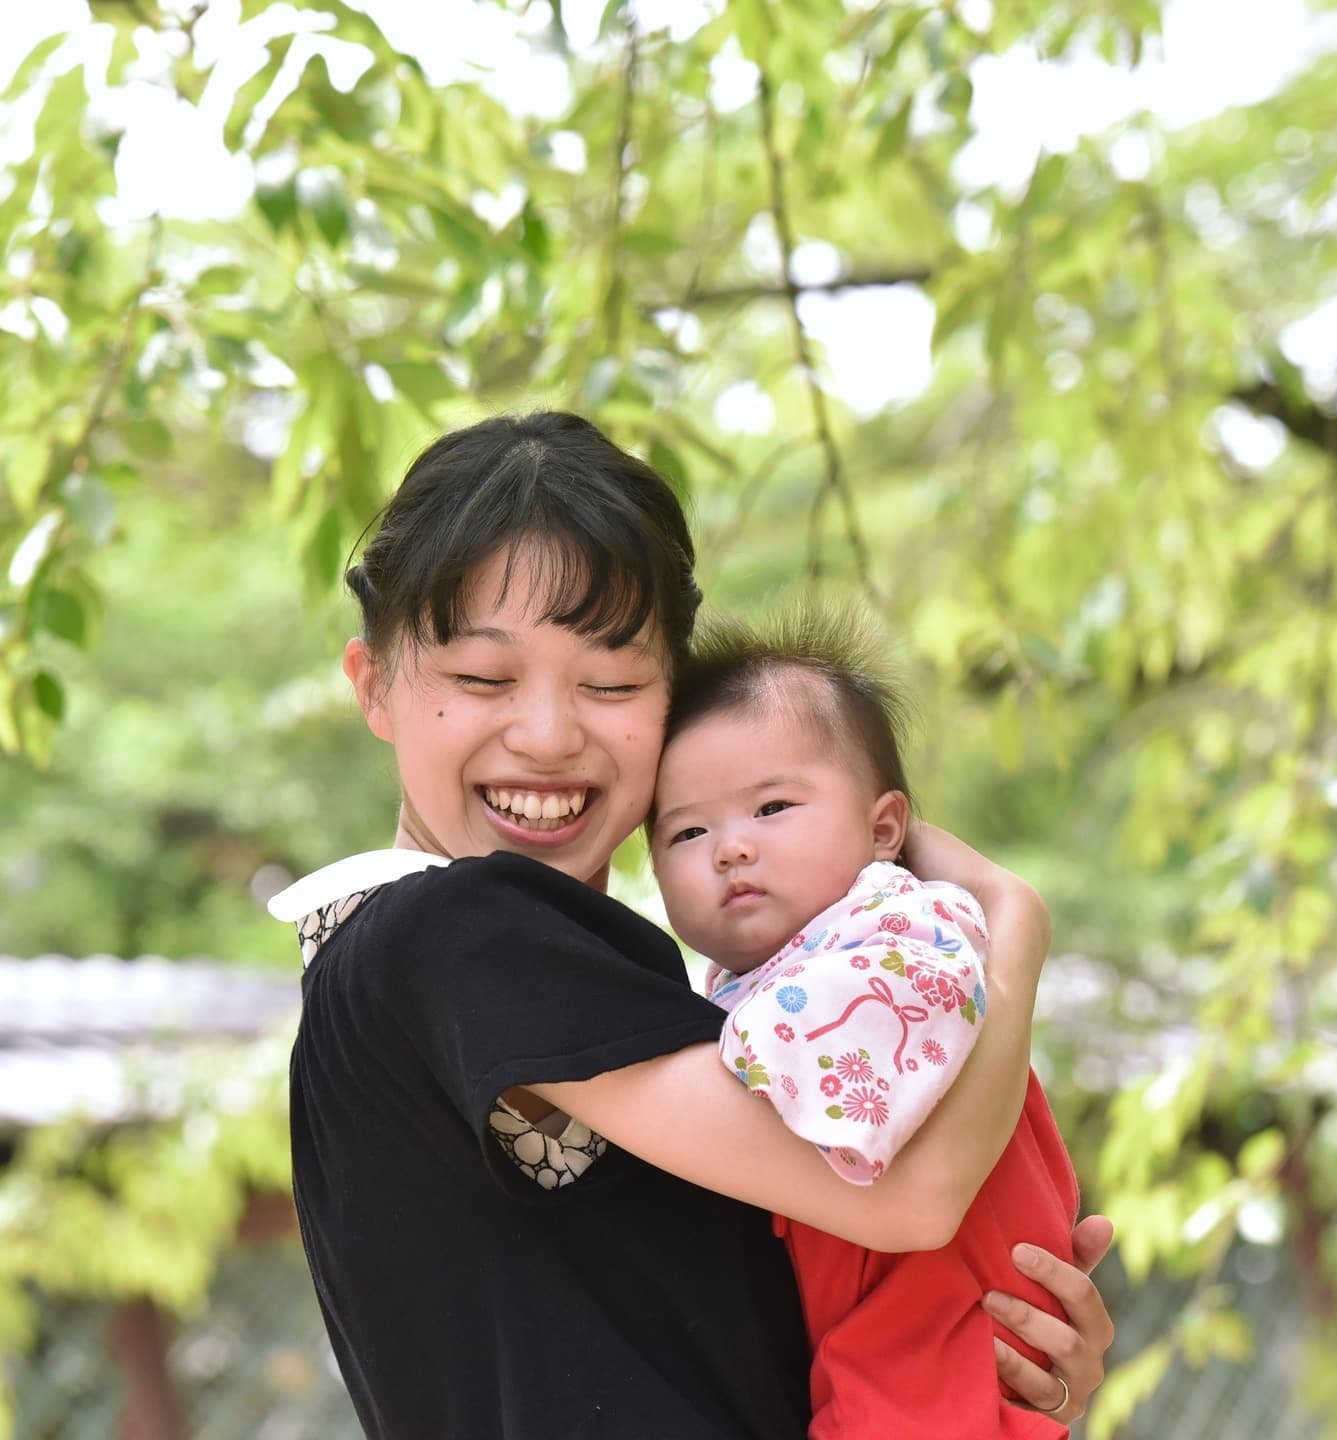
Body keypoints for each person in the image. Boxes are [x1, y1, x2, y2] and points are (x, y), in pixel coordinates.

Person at [266, 411, 1115, 1438]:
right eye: (483, 679)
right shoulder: (454, 933)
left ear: (669, 703)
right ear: (375, 686)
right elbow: (914, 1198)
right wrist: (1011, 929)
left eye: (613, 683)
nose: (546, 735)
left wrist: (984, 1355)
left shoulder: (552, 970)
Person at [648, 605, 1084, 1438]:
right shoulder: (763, 972)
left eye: (772, 807)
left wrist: (1008, 906)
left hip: (941, 1293)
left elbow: (868, 1067)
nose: (730, 848)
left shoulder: (896, 927)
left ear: (886, 827)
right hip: (892, 1303)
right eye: (688, 831)